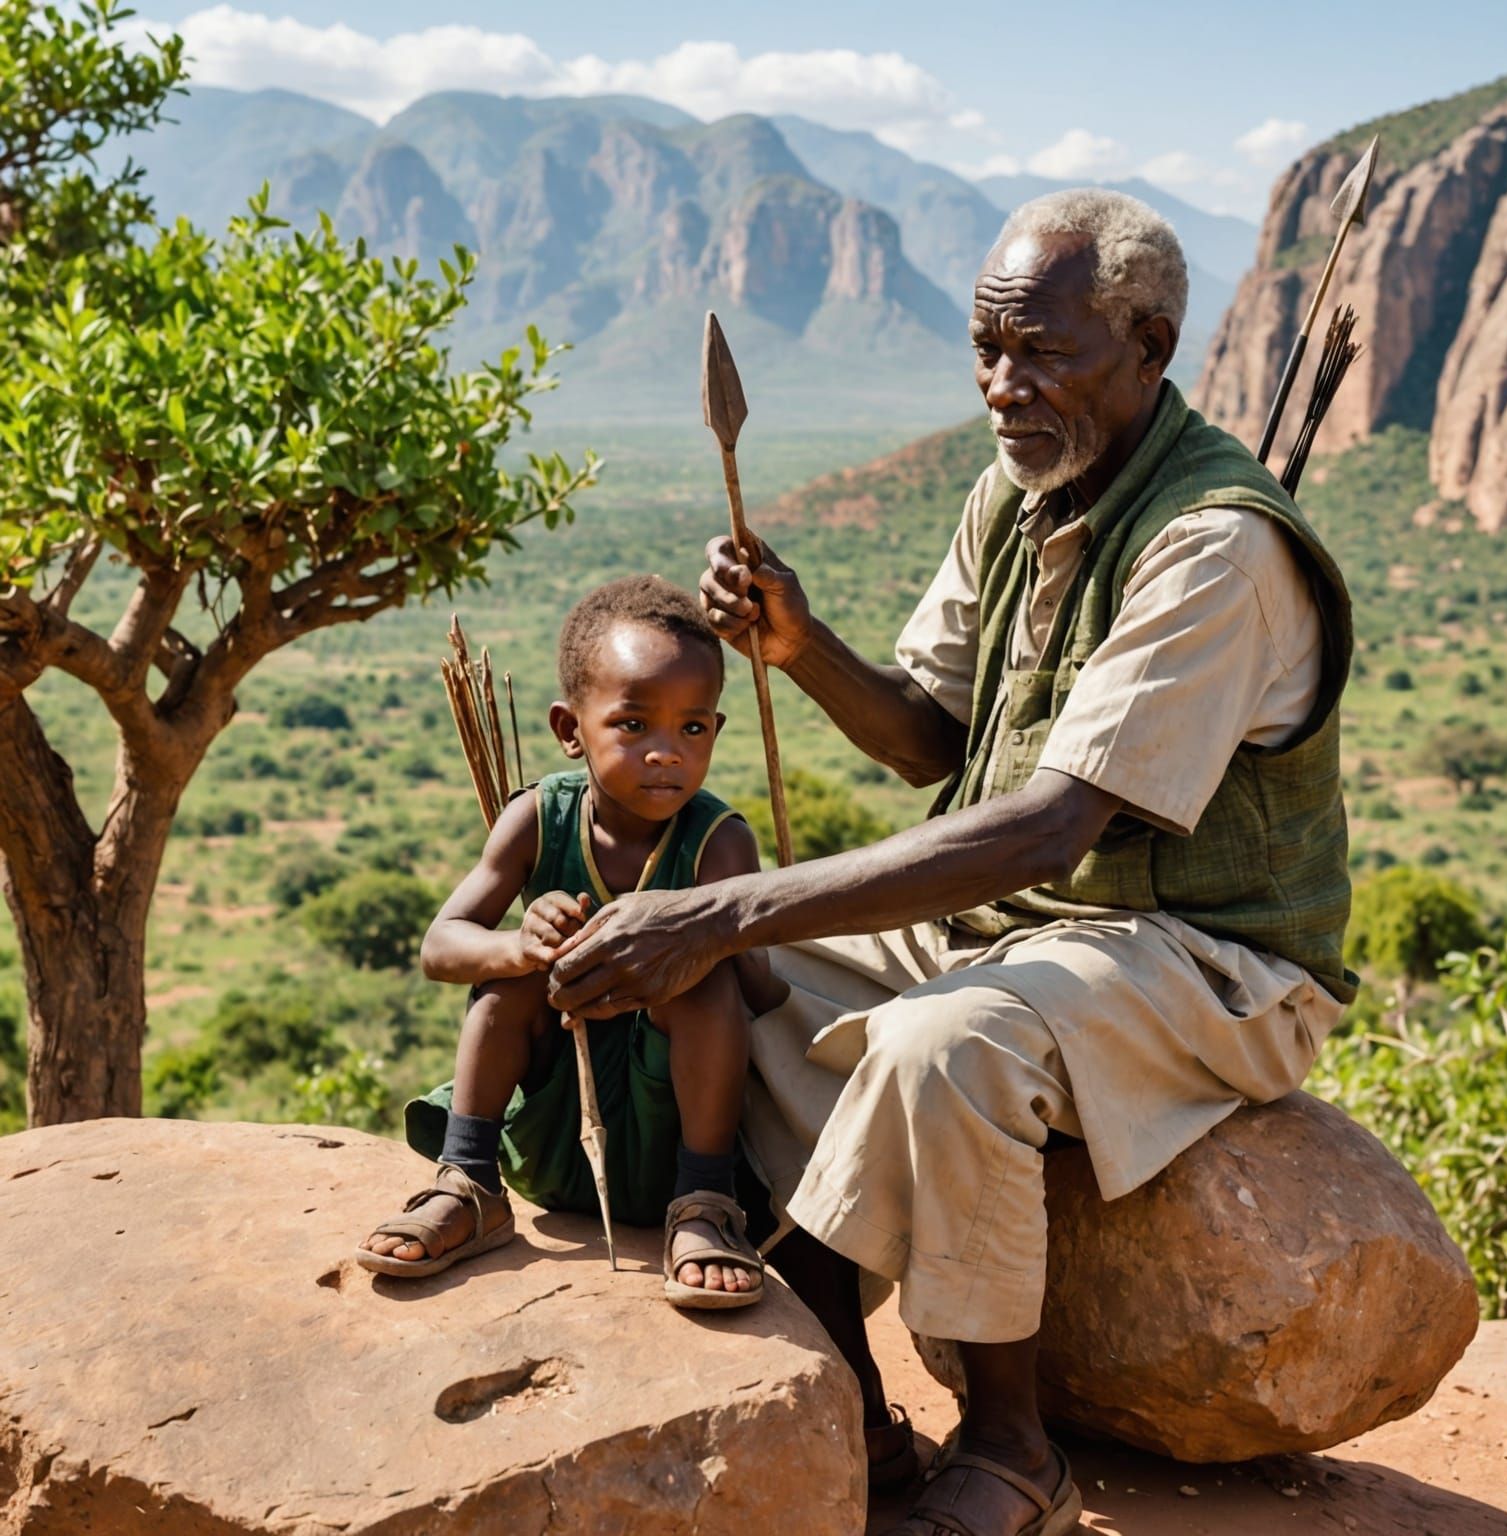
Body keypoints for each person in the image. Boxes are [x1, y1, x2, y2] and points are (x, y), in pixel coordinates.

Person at [543, 189, 1355, 1536]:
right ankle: (849, 1383)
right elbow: (930, 743)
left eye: (1041, 352)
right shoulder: (1018, 490)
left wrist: (722, 901)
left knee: (939, 1044)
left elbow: (1048, 826)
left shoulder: (1217, 547)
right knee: (733, 973)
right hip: (1028, 926)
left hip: (1212, 961)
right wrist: (799, 648)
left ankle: (1012, 1443)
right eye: (985, 349)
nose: (1002, 385)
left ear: (1150, 344)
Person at [356, 574, 779, 1308]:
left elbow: (762, 995)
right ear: (569, 730)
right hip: (554, 1135)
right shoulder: (537, 820)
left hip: (673, 1148)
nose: (665, 753)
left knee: (705, 981)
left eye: (693, 727)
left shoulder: (720, 843)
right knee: (508, 978)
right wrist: (525, 945)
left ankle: (711, 1208)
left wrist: (695, 952)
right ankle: (469, 1183)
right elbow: (441, 947)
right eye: (633, 724)